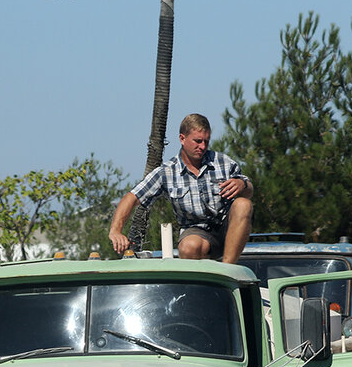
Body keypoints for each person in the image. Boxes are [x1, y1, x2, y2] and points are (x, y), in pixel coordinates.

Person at [108, 113, 254, 263]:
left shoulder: (222, 162)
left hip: (228, 228)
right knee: (189, 246)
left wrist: (242, 184)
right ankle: (198, 282)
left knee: (243, 204)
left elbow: (249, 191)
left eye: (206, 141)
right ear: (182, 139)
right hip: (196, 232)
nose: (202, 147)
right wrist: (115, 231)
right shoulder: (166, 172)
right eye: (197, 141)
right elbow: (131, 197)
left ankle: (227, 271)